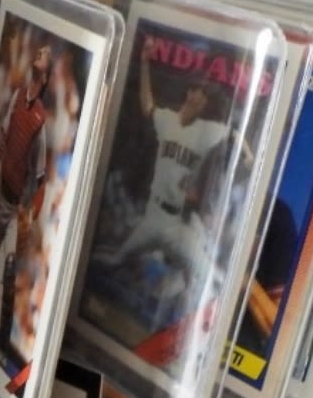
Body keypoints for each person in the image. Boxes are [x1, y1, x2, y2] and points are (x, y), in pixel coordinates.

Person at [91, 36, 231, 287]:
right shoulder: (167, 120)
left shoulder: (205, 130)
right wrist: (145, 63)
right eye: (200, 92)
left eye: (205, 97)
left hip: (176, 224)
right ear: (189, 92)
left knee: (209, 274)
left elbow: (233, 133)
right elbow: (147, 104)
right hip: (152, 217)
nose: (202, 99)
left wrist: (249, 156)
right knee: (114, 259)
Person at [0, 45, 52, 335]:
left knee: (10, 265)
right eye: (39, 51)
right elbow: (4, 131)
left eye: (44, 54)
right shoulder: (17, 96)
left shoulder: (40, 120)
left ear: (46, 76)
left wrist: (29, 211)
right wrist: (1, 149)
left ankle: (2, 333)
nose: (38, 53)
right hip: (3, 191)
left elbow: (40, 175)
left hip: (18, 202)